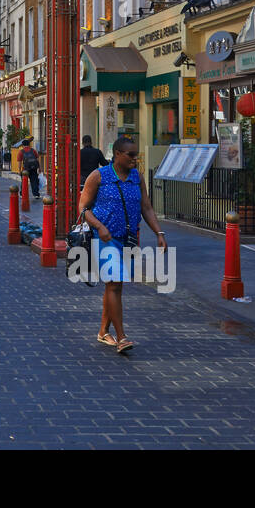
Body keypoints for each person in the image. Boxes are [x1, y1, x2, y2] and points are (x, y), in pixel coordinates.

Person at [77, 136, 167, 353]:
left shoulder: (138, 177)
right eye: (131, 155)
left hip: (129, 239)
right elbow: (83, 208)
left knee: (114, 286)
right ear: (117, 154)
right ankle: (122, 336)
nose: (135, 159)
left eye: (136, 155)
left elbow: (146, 207)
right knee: (115, 283)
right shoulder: (99, 176)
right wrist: (99, 227)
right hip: (105, 238)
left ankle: (103, 332)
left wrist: (159, 232)